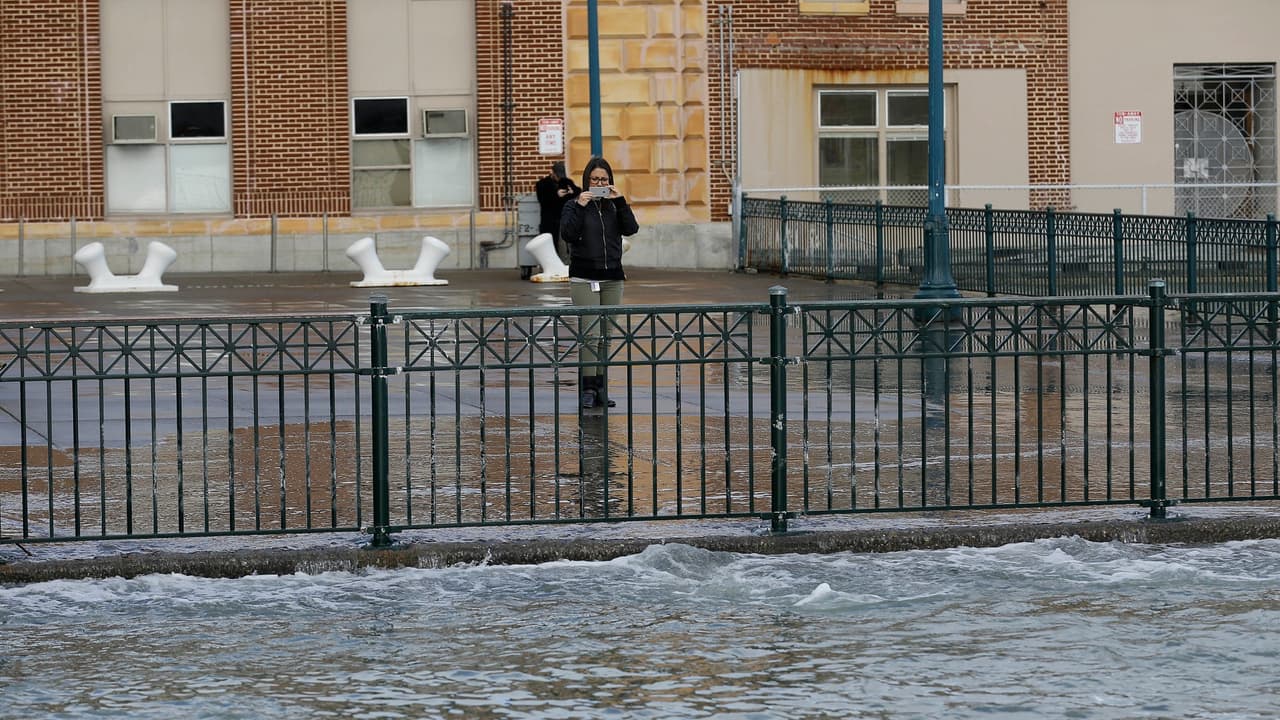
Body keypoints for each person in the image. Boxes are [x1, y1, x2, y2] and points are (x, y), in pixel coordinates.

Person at [559, 156, 639, 409]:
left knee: (606, 336)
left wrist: (621, 201)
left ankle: (601, 388)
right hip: (584, 278)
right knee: (590, 335)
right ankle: (588, 388)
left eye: (604, 180)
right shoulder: (573, 205)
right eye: (595, 179)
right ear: (587, 181)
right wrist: (581, 206)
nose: (600, 184)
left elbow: (631, 229)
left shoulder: (614, 205)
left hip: (612, 277)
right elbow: (568, 234)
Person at [534, 161, 579, 262]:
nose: (559, 178)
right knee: (549, 246)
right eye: (558, 176)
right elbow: (543, 201)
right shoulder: (542, 184)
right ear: (552, 173)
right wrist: (556, 195)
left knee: (564, 247)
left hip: (563, 219)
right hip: (549, 220)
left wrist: (572, 192)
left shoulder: (566, 182)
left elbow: (578, 191)